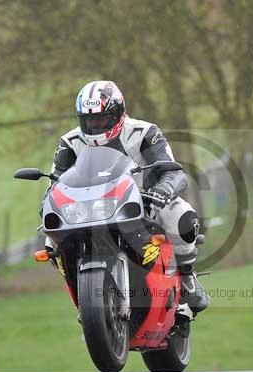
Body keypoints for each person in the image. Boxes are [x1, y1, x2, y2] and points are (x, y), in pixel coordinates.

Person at [48, 80, 209, 332]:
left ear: (118, 112)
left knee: (180, 215)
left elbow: (173, 171)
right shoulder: (69, 142)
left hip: (142, 202)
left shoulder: (144, 132)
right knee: (49, 243)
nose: (96, 126)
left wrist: (164, 188)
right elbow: (55, 182)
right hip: (87, 209)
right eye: (90, 121)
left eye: (102, 119)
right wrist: (49, 203)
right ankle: (85, 297)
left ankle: (188, 278)